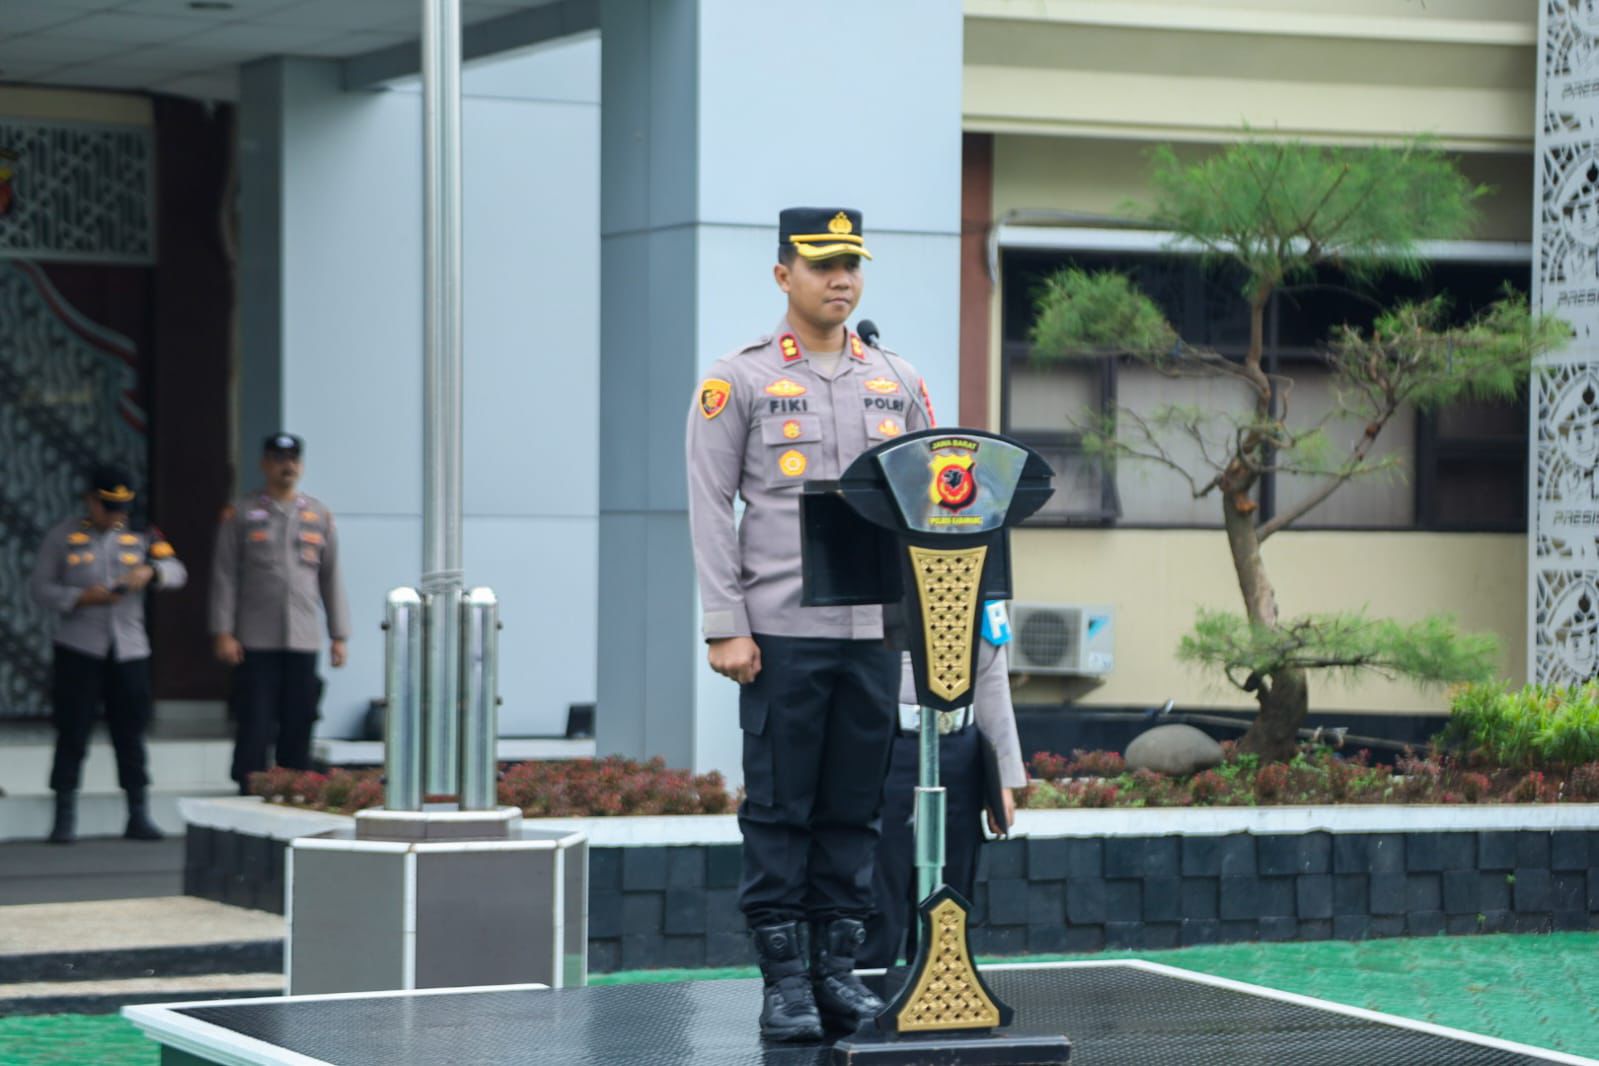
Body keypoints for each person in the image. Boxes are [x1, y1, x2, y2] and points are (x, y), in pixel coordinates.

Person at [685, 207, 935, 1042]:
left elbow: (931, 504)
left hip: (873, 632)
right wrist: (725, 623)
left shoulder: (896, 377)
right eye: (823, 265)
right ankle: (784, 984)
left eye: (850, 265)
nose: (840, 280)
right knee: (780, 809)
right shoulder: (740, 379)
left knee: (855, 810)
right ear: (782, 275)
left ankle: (836, 973)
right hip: (780, 633)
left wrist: (925, 630)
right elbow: (709, 506)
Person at [860, 602, 1028, 971]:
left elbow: (992, 678)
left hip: (958, 748)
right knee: (879, 887)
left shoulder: (978, 582)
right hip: (887, 742)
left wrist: (1002, 778)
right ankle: (868, 987)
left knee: (950, 889)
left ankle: (942, 983)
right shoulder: (877, 581)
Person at [29, 465, 188, 844]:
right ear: (91, 501)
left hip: (129, 649)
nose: (117, 515)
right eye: (108, 507)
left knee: (130, 733)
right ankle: (64, 815)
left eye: (122, 508)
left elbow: (177, 571)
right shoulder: (64, 536)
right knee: (72, 731)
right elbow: (40, 588)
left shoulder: (144, 535)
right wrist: (79, 597)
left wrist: (151, 572)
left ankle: (138, 812)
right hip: (79, 647)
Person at [209, 433, 349, 794]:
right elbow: (225, 574)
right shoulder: (241, 513)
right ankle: (250, 785)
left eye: (293, 460)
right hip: (256, 637)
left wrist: (339, 636)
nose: (287, 466)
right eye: (278, 459)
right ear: (264, 464)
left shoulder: (318, 515)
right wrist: (223, 631)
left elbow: (331, 577)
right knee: (255, 716)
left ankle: (294, 786)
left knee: (300, 716)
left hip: (302, 636)